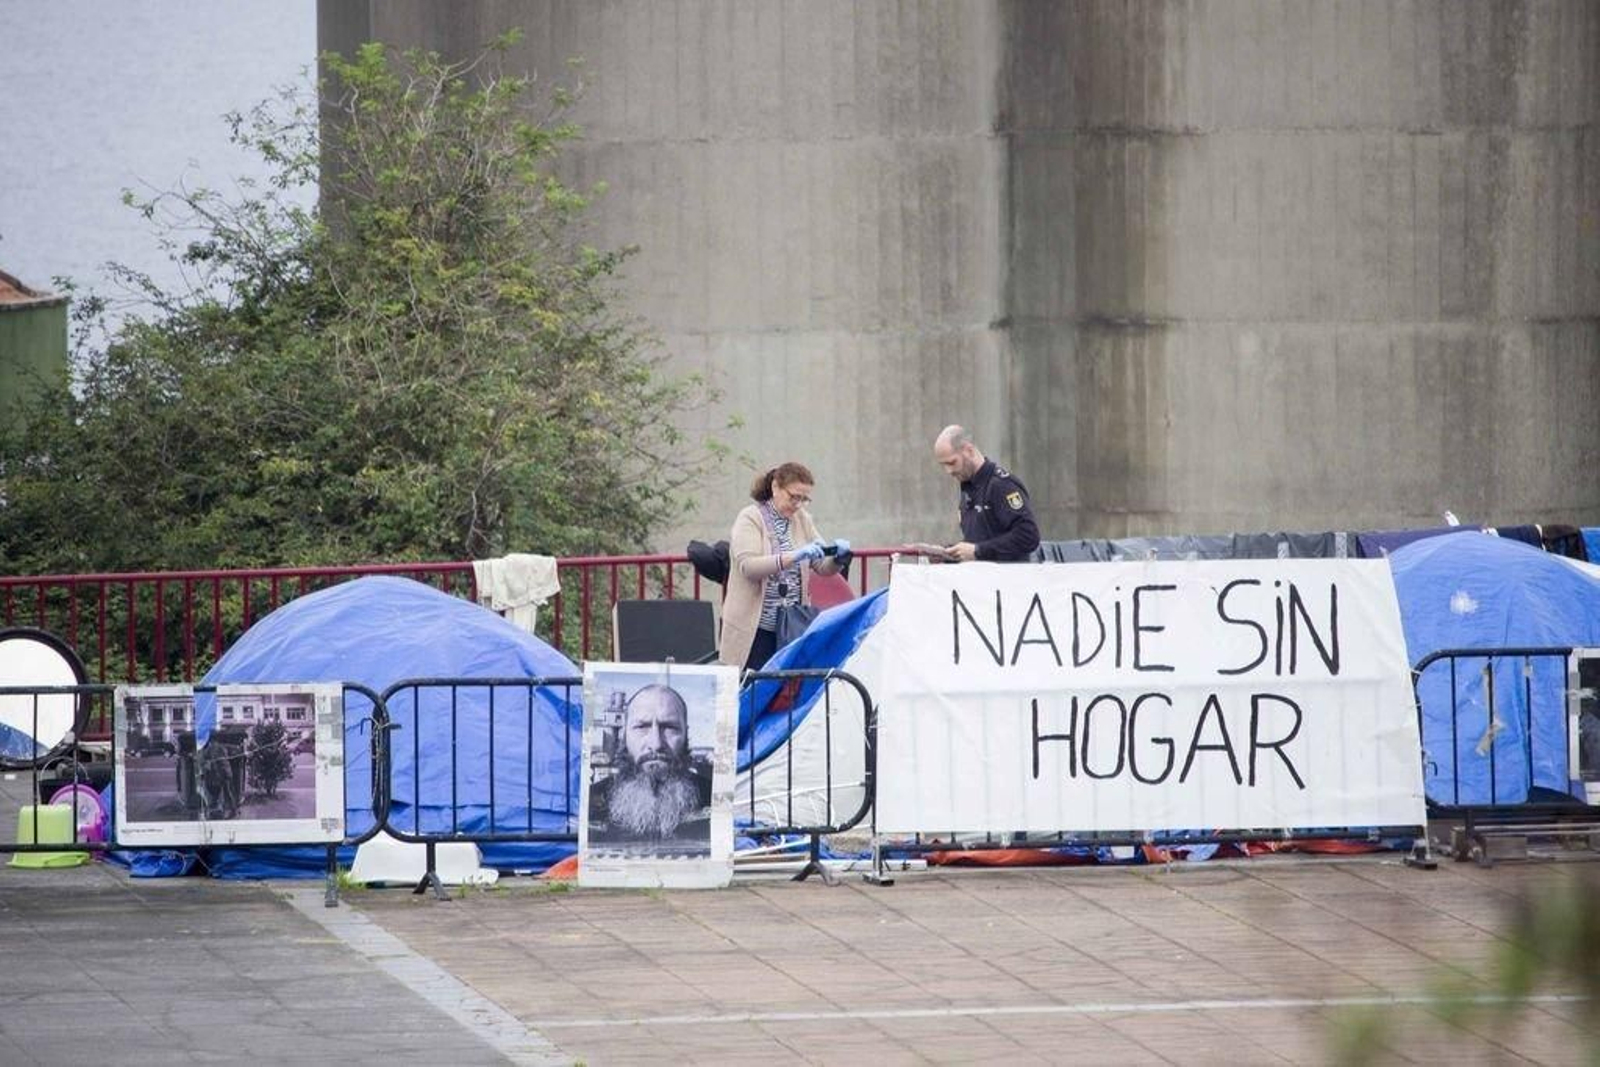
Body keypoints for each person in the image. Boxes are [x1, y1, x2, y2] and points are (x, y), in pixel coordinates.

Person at [719, 462, 849, 673]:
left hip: (790, 627)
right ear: (775, 487)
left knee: (786, 692)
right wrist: (794, 556)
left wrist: (838, 557)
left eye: (804, 499)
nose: (798, 504)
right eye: (793, 496)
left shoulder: (802, 519)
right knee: (749, 692)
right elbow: (749, 567)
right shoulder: (750, 517)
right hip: (754, 629)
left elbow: (821, 566)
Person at [588, 684, 712, 844]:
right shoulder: (592, 805)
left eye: (669, 728)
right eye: (641, 727)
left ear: (686, 733)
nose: (656, 743)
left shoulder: (714, 801)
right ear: (625, 734)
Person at [932, 424, 1040, 562]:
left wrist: (978, 550)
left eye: (952, 462)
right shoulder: (968, 489)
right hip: (982, 579)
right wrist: (947, 554)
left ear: (969, 451)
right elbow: (981, 541)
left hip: (1008, 580)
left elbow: (1028, 536)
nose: (949, 471)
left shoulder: (1000, 486)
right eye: (944, 465)